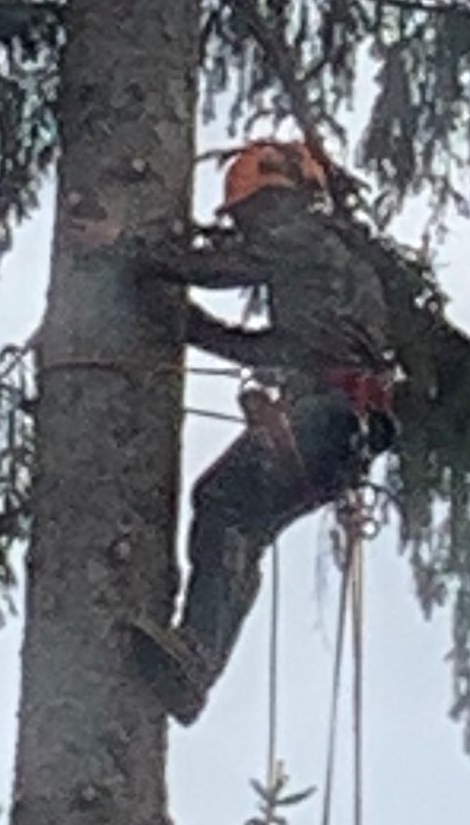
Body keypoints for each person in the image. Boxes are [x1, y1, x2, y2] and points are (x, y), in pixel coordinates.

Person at [130, 140, 401, 725]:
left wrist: (132, 253)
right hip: (342, 432)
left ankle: (197, 657)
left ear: (288, 201)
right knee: (241, 524)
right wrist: (188, 326)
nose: (252, 228)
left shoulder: (305, 241)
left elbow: (225, 269)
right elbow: (274, 348)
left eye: (257, 213)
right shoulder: (329, 270)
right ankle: (194, 669)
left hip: (331, 418)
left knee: (223, 501)